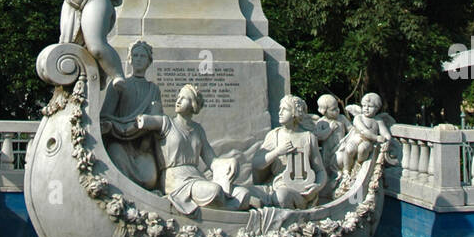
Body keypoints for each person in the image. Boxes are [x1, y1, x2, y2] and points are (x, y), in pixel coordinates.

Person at [137, 83, 231, 215]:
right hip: (175, 180)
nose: (178, 101)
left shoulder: (198, 129)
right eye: (178, 97)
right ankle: (226, 207)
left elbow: (212, 161)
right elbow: (145, 121)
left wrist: (229, 163)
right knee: (215, 191)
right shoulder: (166, 123)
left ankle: (229, 207)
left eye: (184, 98)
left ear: (193, 104)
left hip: (197, 177)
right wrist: (149, 115)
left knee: (240, 193)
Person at [99, 41, 163, 190]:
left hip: (142, 146)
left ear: (149, 61)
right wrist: (119, 126)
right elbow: (105, 117)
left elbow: (157, 120)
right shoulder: (119, 84)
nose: (138, 59)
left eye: (143, 56)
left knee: (150, 179)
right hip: (119, 143)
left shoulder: (153, 89)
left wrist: (146, 140)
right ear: (129, 59)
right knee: (119, 167)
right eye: (135, 55)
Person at [254, 95, 326, 209]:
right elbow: (257, 164)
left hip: (301, 191)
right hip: (277, 185)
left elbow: (320, 170)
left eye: (285, 109)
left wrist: (317, 186)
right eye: (280, 109)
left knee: (281, 196)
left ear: (294, 113)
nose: (280, 113)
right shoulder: (274, 135)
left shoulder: (308, 137)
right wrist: (277, 152)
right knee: (247, 193)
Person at [336, 92, 395, 191]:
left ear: (377, 108)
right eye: (364, 106)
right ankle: (346, 171)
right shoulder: (358, 118)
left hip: (368, 142)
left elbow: (386, 134)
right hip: (357, 139)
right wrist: (376, 138)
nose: (366, 108)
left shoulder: (378, 121)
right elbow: (363, 131)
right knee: (349, 149)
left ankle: (358, 165)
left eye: (370, 106)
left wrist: (387, 141)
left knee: (363, 149)